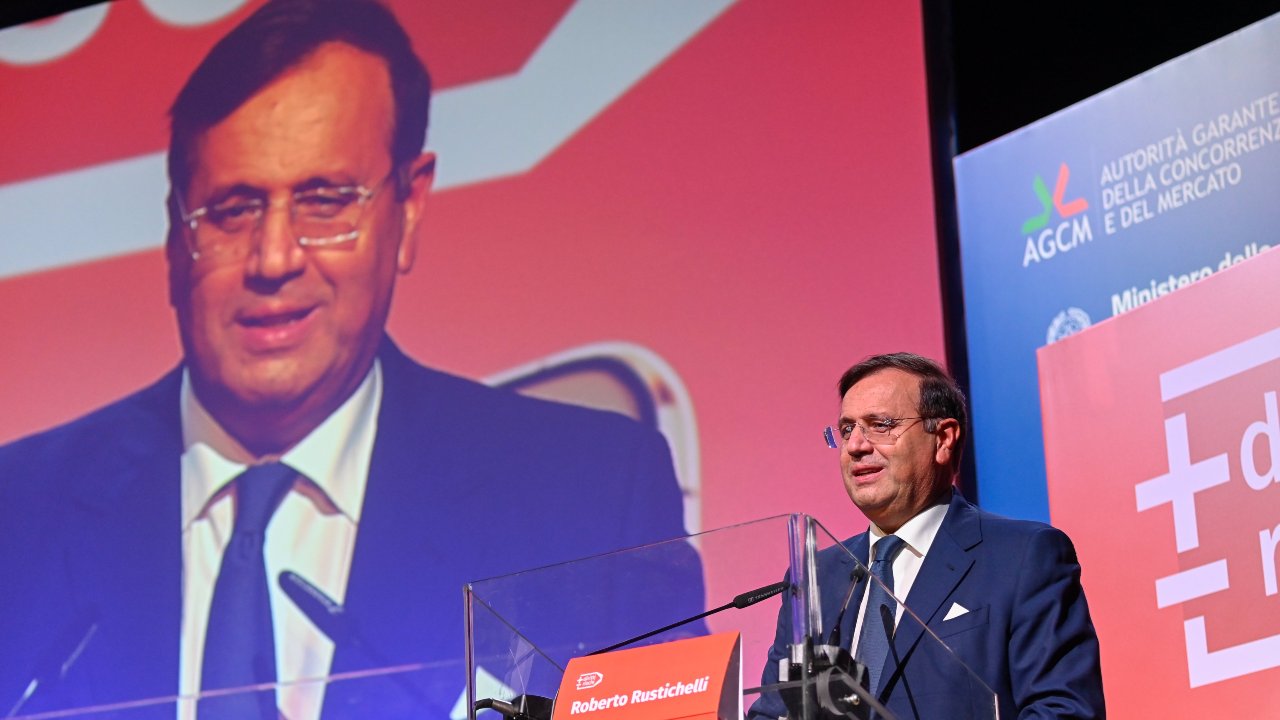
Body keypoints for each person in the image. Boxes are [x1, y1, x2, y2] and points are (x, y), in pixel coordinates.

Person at [0, 1, 702, 718]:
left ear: (409, 208)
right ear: (177, 235)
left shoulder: (590, 500)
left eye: (325, 201)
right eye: (233, 209)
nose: (273, 259)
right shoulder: (16, 515)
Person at [749, 353, 1104, 719]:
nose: (855, 445)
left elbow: (1063, 711)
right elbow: (772, 712)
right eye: (846, 430)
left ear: (944, 438)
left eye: (880, 425)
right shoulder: (816, 579)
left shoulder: (1022, 557)